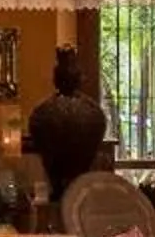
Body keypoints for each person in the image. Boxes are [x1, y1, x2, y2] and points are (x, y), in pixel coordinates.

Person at [25, 47, 108, 207]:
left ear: (55, 79)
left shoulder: (42, 113)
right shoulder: (93, 112)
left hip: (63, 189)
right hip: (76, 189)